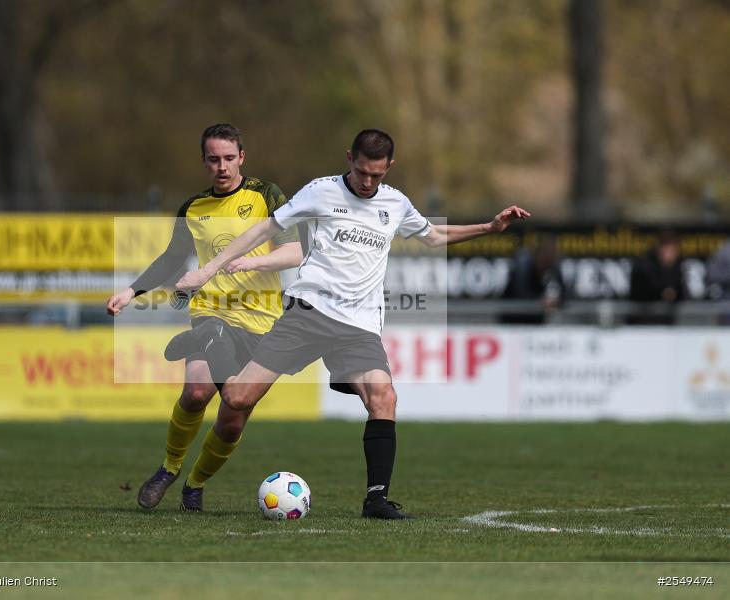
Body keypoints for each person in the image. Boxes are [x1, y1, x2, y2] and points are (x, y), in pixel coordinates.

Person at [176, 129, 530, 519]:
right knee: (237, 399)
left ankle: (376, 500)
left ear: (389, 168)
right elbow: (265, 229)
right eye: (362, 172)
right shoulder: (321, 191)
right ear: (349, 158)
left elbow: (432, 236)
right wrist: (208, 269)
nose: (367, 182)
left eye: (377, 175)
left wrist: (489, 227)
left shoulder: (395, 203)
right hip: (308, 313)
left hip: (358, 326)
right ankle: (207, 354)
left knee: (384, 398)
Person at [106, 123, 303, 511]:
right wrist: (131, 291)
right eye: (213, 160)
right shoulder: (194, 208)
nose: (222, 167)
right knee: (197, 392)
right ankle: (169, 467)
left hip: (262, 326)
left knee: (232, 418)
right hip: (212, 312)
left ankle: (194, 484)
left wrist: (252, 260)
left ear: (242, 157)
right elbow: (172, 259)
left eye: (229, 158)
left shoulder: (267, 195)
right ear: (204, 162)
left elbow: (295, 252)